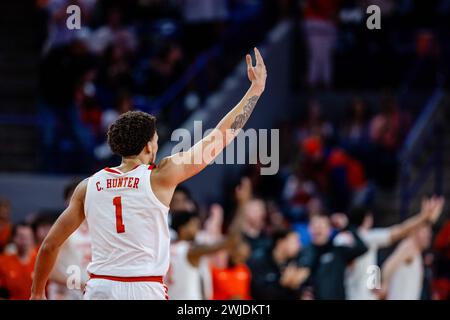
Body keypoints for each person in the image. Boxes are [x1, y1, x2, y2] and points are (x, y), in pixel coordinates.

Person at [30, 48, 267, 300]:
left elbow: (49, 245)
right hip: (144, 288)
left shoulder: (88, 186)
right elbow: (219, 138)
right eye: (155, 140)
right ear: (148, 146)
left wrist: (36, 293)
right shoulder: (160, 176)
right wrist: (255, 90)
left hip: (100, 289)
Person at [343, 196, 444, 300]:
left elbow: (370, 267)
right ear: (367, 219)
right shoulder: (367, 237)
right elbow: (400, 231)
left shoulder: (350, 240)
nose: (429, 235)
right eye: (425, 231)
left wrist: (377, 286)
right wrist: (424, 217)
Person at [167, 211, 239, 299]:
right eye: (193, 225)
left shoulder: (168, 248)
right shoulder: (190, 250)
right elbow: (221, 244)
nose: (197, 229)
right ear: (182, 229)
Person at [301, 213, 367, 300]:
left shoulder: (337, 251)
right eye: (315, 226)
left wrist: (346, 227)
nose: (318, 230)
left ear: (329, 230)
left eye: (321, 226)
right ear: (309, 229)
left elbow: (362, 248)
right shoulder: (304, 253)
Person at [47, 180, 92, 300]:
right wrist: (79, 284)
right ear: (66, 202)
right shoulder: (61, 229)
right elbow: (49, 271)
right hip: (64, 293)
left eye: (83, 197)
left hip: (86, 292)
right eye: (73, 197)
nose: (79, 201)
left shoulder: (95, 227)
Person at [248, 229, 308, 300]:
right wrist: (282, 284)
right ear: (280, 243)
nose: (299, 246)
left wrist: (295, 286)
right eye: (295, 242)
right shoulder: (259, 260)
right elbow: (257, 293)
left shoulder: (294, 262)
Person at [380, 223, 435, 300]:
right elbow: (387, 267)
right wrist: (385, 284)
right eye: (425, 232)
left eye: (429, 232)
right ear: (414, 232)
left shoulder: (416, 252)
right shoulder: (409, 246)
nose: (429, 236)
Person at [0, 223, 37, 300]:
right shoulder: (3, 261)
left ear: (33, 239)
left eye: (28, 237)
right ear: (13, 238)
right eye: (21, 237)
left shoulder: (41, 262)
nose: (24, 241)